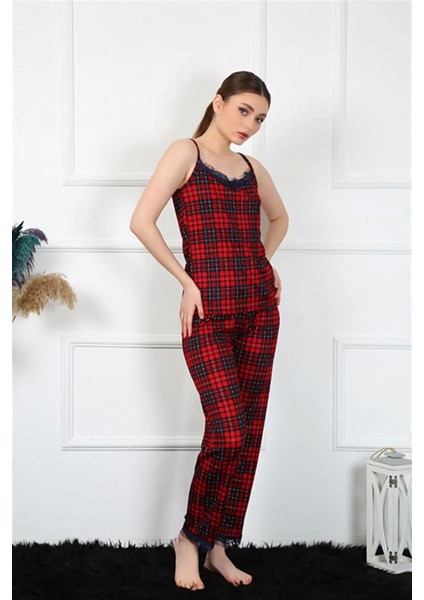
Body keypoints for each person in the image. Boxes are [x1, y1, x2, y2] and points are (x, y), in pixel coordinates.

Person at [130, 71, 289, 591]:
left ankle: (217, 545)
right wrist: (186, 281)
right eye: (244, 110)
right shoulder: (186, 153)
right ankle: (188, 539)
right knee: (227, 429)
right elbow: (141, 221)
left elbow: (280, 219)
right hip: (207, 314)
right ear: (217, 103)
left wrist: (263, 262)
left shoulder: (252, 168)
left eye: (260, 118)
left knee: (249, 434)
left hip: (260, 310)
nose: (251, 124)